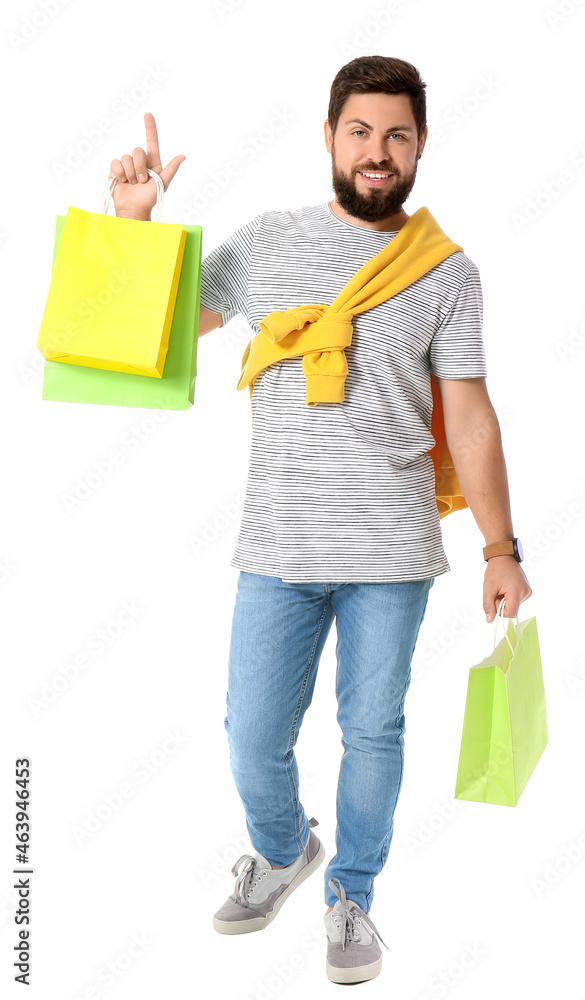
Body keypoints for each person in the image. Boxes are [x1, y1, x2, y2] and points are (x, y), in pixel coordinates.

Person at [107, 55, 532, 986]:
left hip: (392, 550)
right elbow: (165, 336)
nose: (377, 153)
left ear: (419, 147)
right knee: (252, 734)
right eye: (359, 131)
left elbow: (469, 416)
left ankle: (352, 898)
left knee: (371, 731)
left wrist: (500, 548)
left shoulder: (448, 272)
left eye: (396, 135)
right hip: (276, 543)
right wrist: (134, 229)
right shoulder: (267, 243)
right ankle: (282, 847)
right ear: (329, 137)